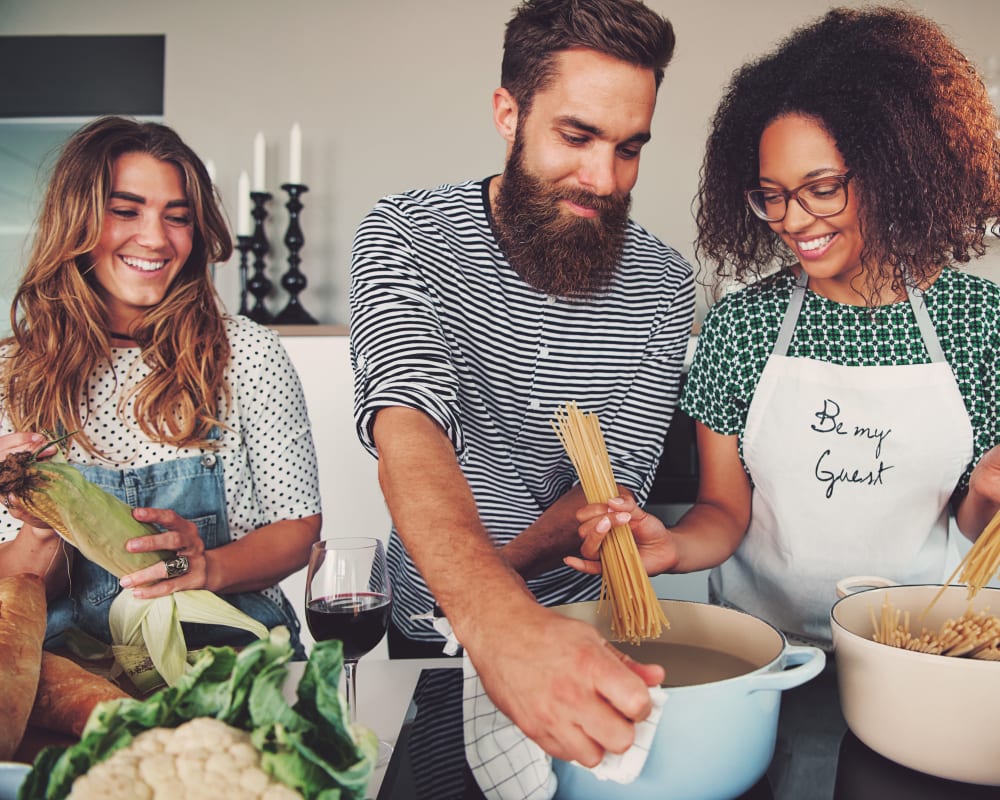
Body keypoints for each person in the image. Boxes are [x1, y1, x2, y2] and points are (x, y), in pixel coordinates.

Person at [571, 6, 1000, 650]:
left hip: (918, 651)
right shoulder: (743, 325)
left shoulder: (980, 324)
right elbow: (724, 510)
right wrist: (674, 545)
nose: (793, 220)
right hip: (762, 651)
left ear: (895, 169)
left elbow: (969, 521)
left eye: (821, 188)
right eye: (772, 194)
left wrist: (991, 494)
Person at [350, 0, 694, 766]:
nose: (604, 178)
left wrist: (509, 599)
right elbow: (408, 429)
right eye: (576, 136)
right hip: (437, 630)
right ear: (508, 113)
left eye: (630, 147)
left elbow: (613, 485)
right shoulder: (406, 234)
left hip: (586, 628)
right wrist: (495, 619)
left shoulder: (665, 284)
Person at [0, 116, 322, 658]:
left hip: (232, 658)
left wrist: (209, 565)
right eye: (125, 211)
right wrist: (41, 528)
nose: (155, 238)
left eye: (178, 218)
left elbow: (297, 528)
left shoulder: (246, 353)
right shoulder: (15, 374)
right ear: (75, 220)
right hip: (75, 674)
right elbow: (22, 583)